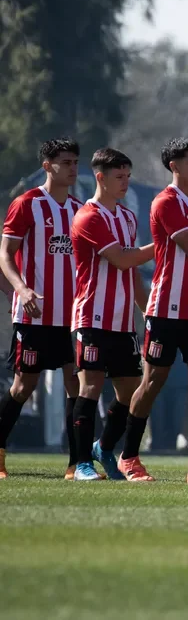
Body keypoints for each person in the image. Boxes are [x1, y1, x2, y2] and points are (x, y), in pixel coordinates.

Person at [115, 138, 188, 482]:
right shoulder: (166, 201)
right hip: (167, 307)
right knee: (153, 381)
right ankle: (129, 456)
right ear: (173, 166)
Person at [0, 138, 85, 480]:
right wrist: (21, 290)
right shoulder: (27, 204)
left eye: (75, 162)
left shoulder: (80, 209)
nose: (72, 168)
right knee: (23, 386)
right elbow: (5, 255)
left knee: (76, 386)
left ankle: (77, 463)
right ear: (48, 165)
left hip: (73, 316)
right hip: (33, 315)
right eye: (65, 162)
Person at [69, 148, 155, 481]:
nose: (125, 183)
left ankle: (103, 447)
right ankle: (81, 465)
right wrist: (163, 244)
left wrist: (147, 310)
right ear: (100, 177)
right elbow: (121, 258)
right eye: (119, 177)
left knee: (131, 391)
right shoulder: (88, 216)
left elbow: (130, 271)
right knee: (90, 386)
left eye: (128, 176)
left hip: (121, 323)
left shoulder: (127, 217)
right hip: (91, 318)